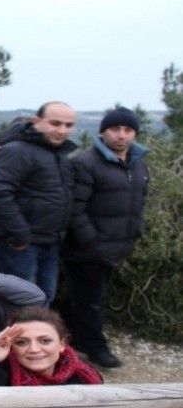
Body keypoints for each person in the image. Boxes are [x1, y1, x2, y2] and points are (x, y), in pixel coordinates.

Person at [61, 107, 149, 369]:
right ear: (103, 132)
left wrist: (134, 234)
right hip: (86, 249)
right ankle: (96, 348)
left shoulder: (138, 164)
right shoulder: (85, 163)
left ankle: (71, 337)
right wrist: (91, 241)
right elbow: (75, 209)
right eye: (115, 129)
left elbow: (139, 203)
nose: (121, 135)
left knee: (82, 297)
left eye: (128, 130)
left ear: (135, 134)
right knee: (91, 301)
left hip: (117, 246)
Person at [0, 101, 77, 305]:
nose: (62, 130)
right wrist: (20, 234)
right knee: (17, 304)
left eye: (68, 125)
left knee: (43, 300)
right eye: (55, 123)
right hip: (18, 245)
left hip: (49, 242)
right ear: (37, 121)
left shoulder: (59, 156)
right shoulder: (17, 151)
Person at [0, 307, 108, 408]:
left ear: (62, 344)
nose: (34, 349)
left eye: (45, 341)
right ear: (12, 347)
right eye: (21, 342)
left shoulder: (85, 377)